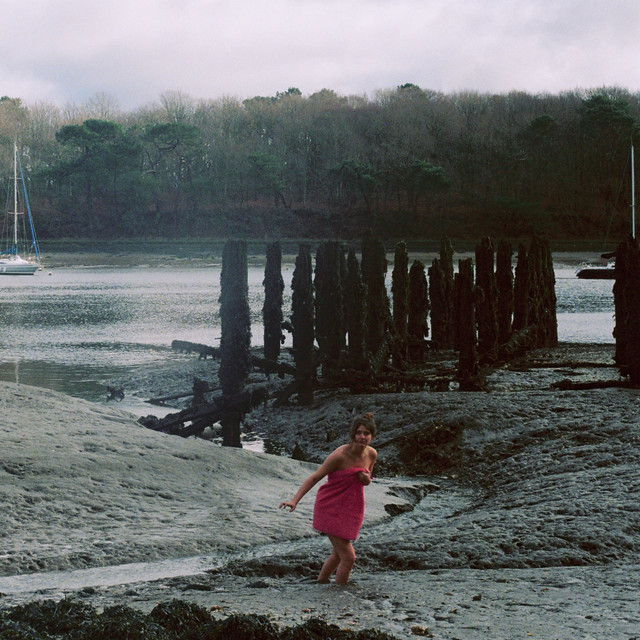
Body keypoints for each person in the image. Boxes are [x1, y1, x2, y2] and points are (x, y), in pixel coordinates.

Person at [279, 412, 377, 584]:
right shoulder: (340, 456)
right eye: (359, 433)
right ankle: (340, 593)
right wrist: (294, 500)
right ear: (353, 435)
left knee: (338, 554)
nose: (362, 437)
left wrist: (366, 479)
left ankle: (321, 582)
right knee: (349, 557)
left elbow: (367, 480)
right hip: (330, 507)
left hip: (350, 507)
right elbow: (315, 477)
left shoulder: (372, 454)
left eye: (366, 433)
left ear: (372, 436)